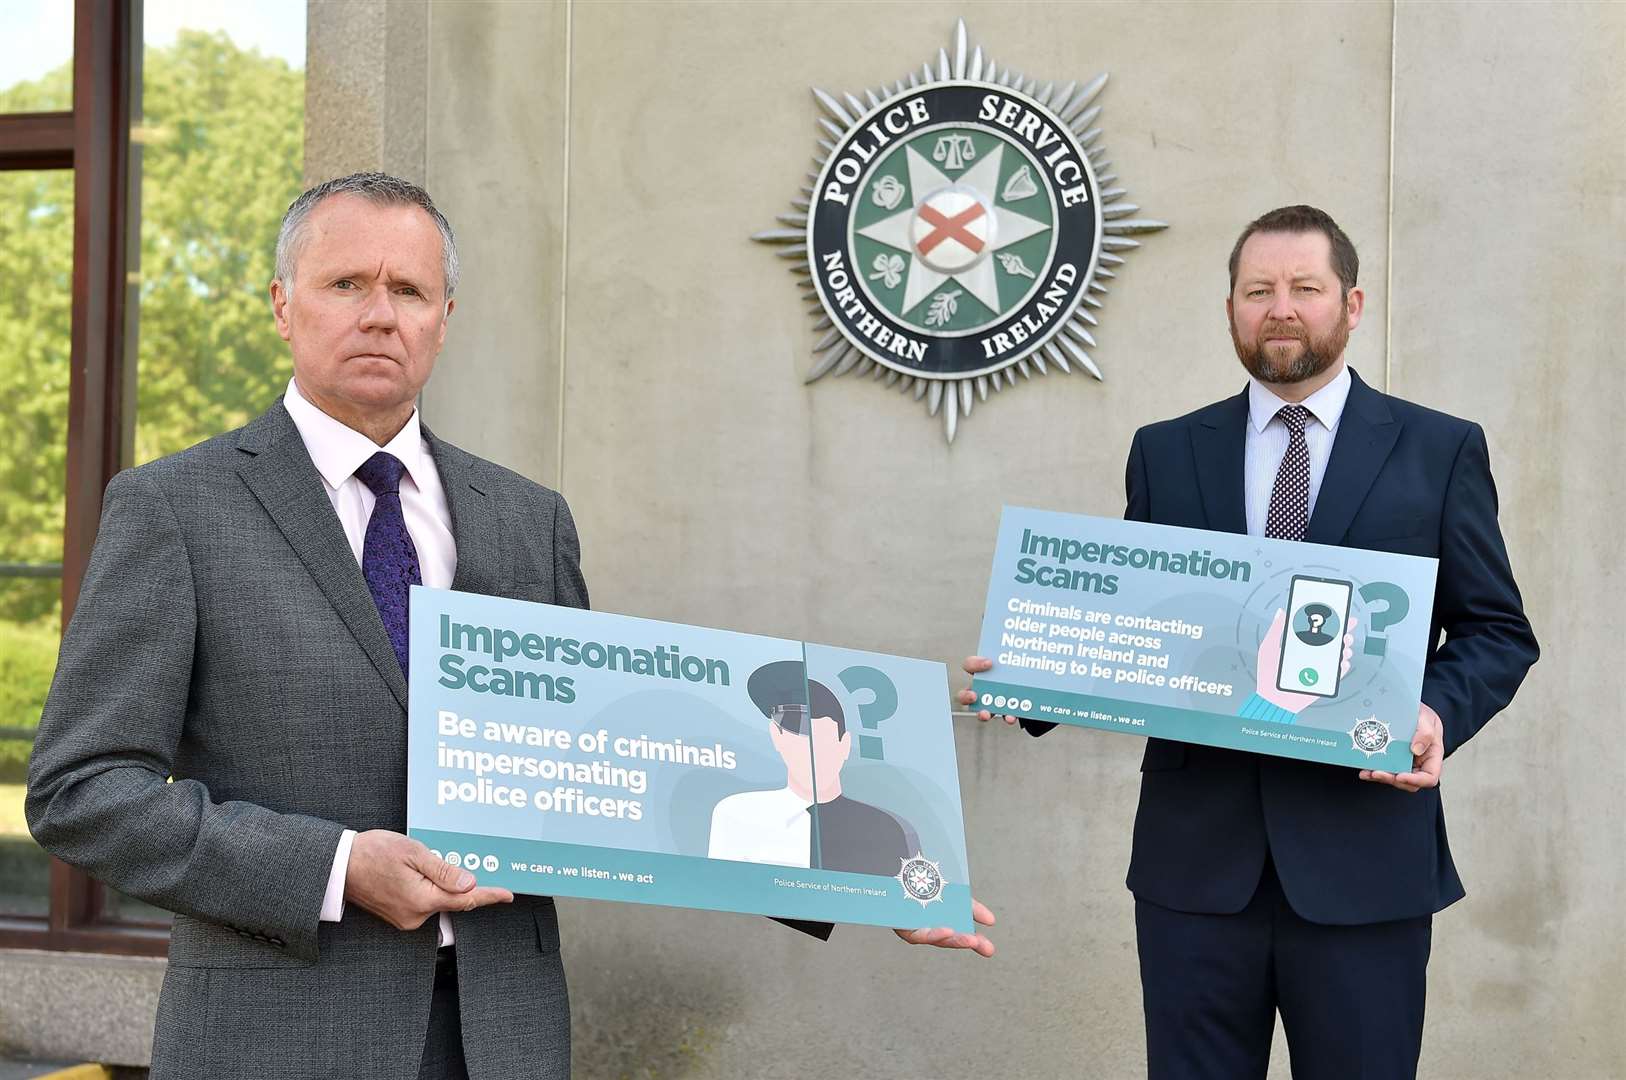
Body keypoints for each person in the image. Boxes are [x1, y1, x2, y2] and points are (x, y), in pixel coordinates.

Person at [27, 172, 990, 1080]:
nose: (378, 312)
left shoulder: (528, 520)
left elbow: (625, 781)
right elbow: (82, 790)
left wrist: (864, 882)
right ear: (284, 304)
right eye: (345, 282)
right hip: (279, 1028)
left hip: (502, 1030)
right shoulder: (177, 509)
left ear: (445, 319)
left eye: (409, 288)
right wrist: (334, 866)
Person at [962, 205, 1537, 1079]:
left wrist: (1432, 712)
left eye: (1305, 288)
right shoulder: (1165, 451)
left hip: (1364, 859)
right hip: (1196, 868)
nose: (1280, 308)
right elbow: (1141, 624)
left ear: (1352, 304)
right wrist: (1036, 676)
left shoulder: (1440, 449)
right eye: (1257, 289)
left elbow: (1497, 632)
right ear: (1229, 308)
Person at [708, 660, 915, 875]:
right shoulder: (739, 815)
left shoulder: (888, 830)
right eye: (798, 738)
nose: (812, 753)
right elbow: (722, 886)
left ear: (844, 745)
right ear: (776, 737)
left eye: (823, 740)